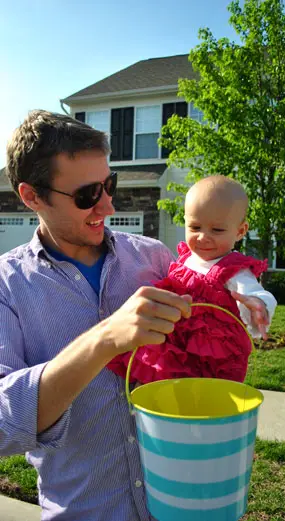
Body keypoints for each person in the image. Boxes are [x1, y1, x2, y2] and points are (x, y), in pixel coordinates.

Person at [0, 110, 192, 521]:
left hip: (179, 503)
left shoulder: (154, 258)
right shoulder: (6, 287)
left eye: (110, 185)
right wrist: (105, 340)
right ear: (32, 196)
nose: (107, 205)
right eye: (88, 194)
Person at [107, 176, 277, 384]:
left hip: (209, 355)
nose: (203, 237)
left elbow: (254, 292)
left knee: (203, 396)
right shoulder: (185, 259)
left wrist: (259, 305)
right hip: (173, 342)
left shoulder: (233, 270)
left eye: (217, 230)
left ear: (240, 231)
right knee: (164, 381)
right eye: (195, 227)